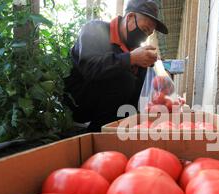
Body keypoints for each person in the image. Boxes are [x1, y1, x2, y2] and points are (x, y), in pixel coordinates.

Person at [64, 0, 168, 132]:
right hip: (77, 102)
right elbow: (89, 68)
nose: (144, 36)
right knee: (124, 78)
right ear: (130, 17)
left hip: (107, 108)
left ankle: (117, 133)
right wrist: (130, 59)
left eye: (148, 34)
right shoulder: (95, 30)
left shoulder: (135, 51)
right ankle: (97, 135)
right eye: (144, 30)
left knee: (133, 78)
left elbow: (133, 98)